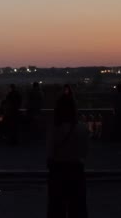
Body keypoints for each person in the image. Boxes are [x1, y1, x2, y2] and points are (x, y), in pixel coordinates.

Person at [47, 84, 89, 218]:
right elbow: (85, 152)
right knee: (77, 207)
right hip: (76, 169)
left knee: (56, 207)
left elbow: (50, 153)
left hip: (58, 169)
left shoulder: (54, 129)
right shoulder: (82, 128)